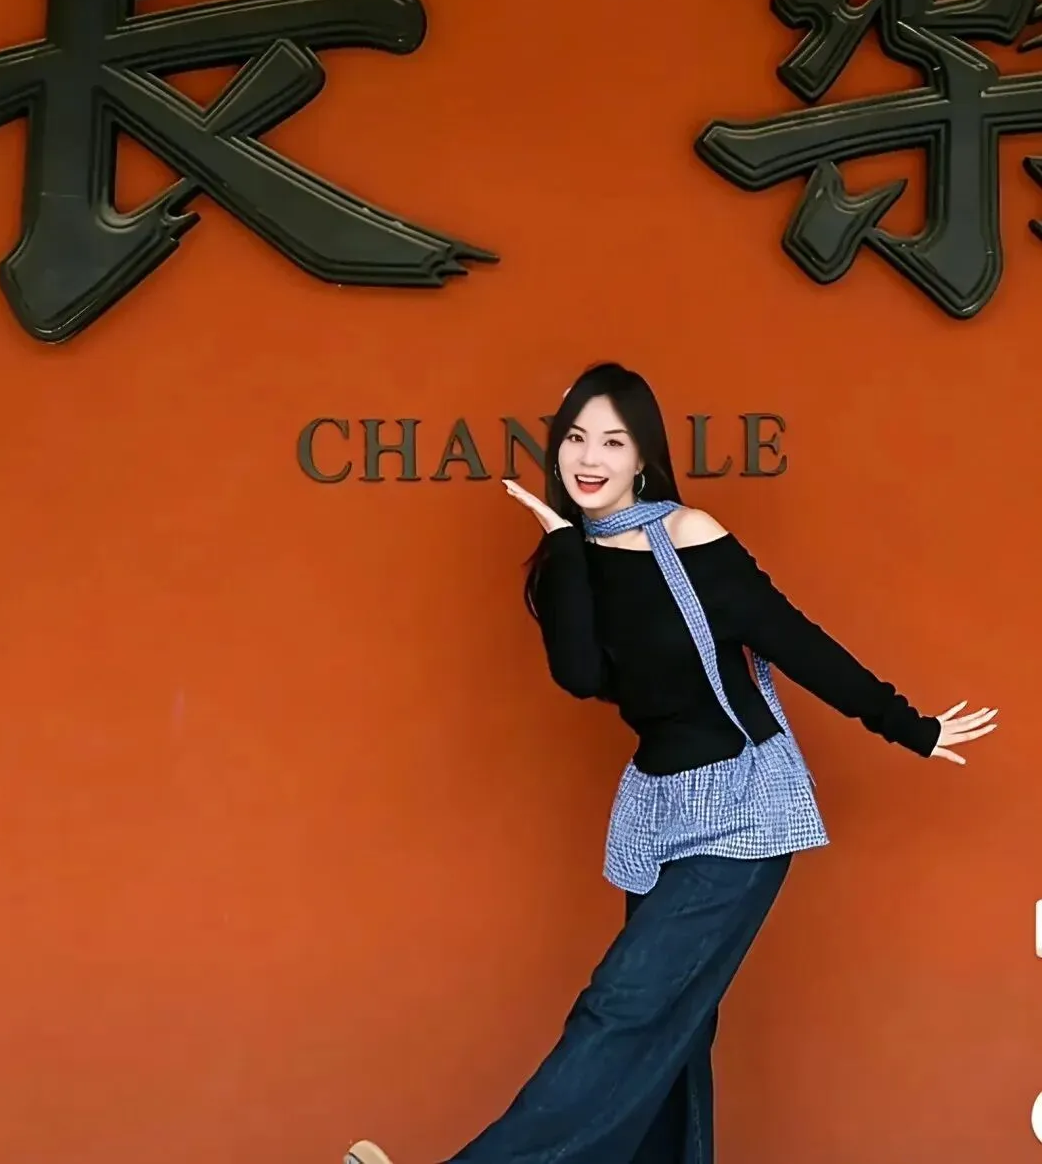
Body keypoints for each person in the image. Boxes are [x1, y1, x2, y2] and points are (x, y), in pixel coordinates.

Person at [344, 361, 996, 1164]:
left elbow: (792, 637)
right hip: (655, 811)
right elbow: (580, 676)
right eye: (576, 438)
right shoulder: (573, 560)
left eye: (613, 442)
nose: (590, 458)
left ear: (643, 457)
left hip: (744, 807)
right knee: (670, 1038)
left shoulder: (688, 535)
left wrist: (909, 726)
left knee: (623, 1007)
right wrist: (563, 543)